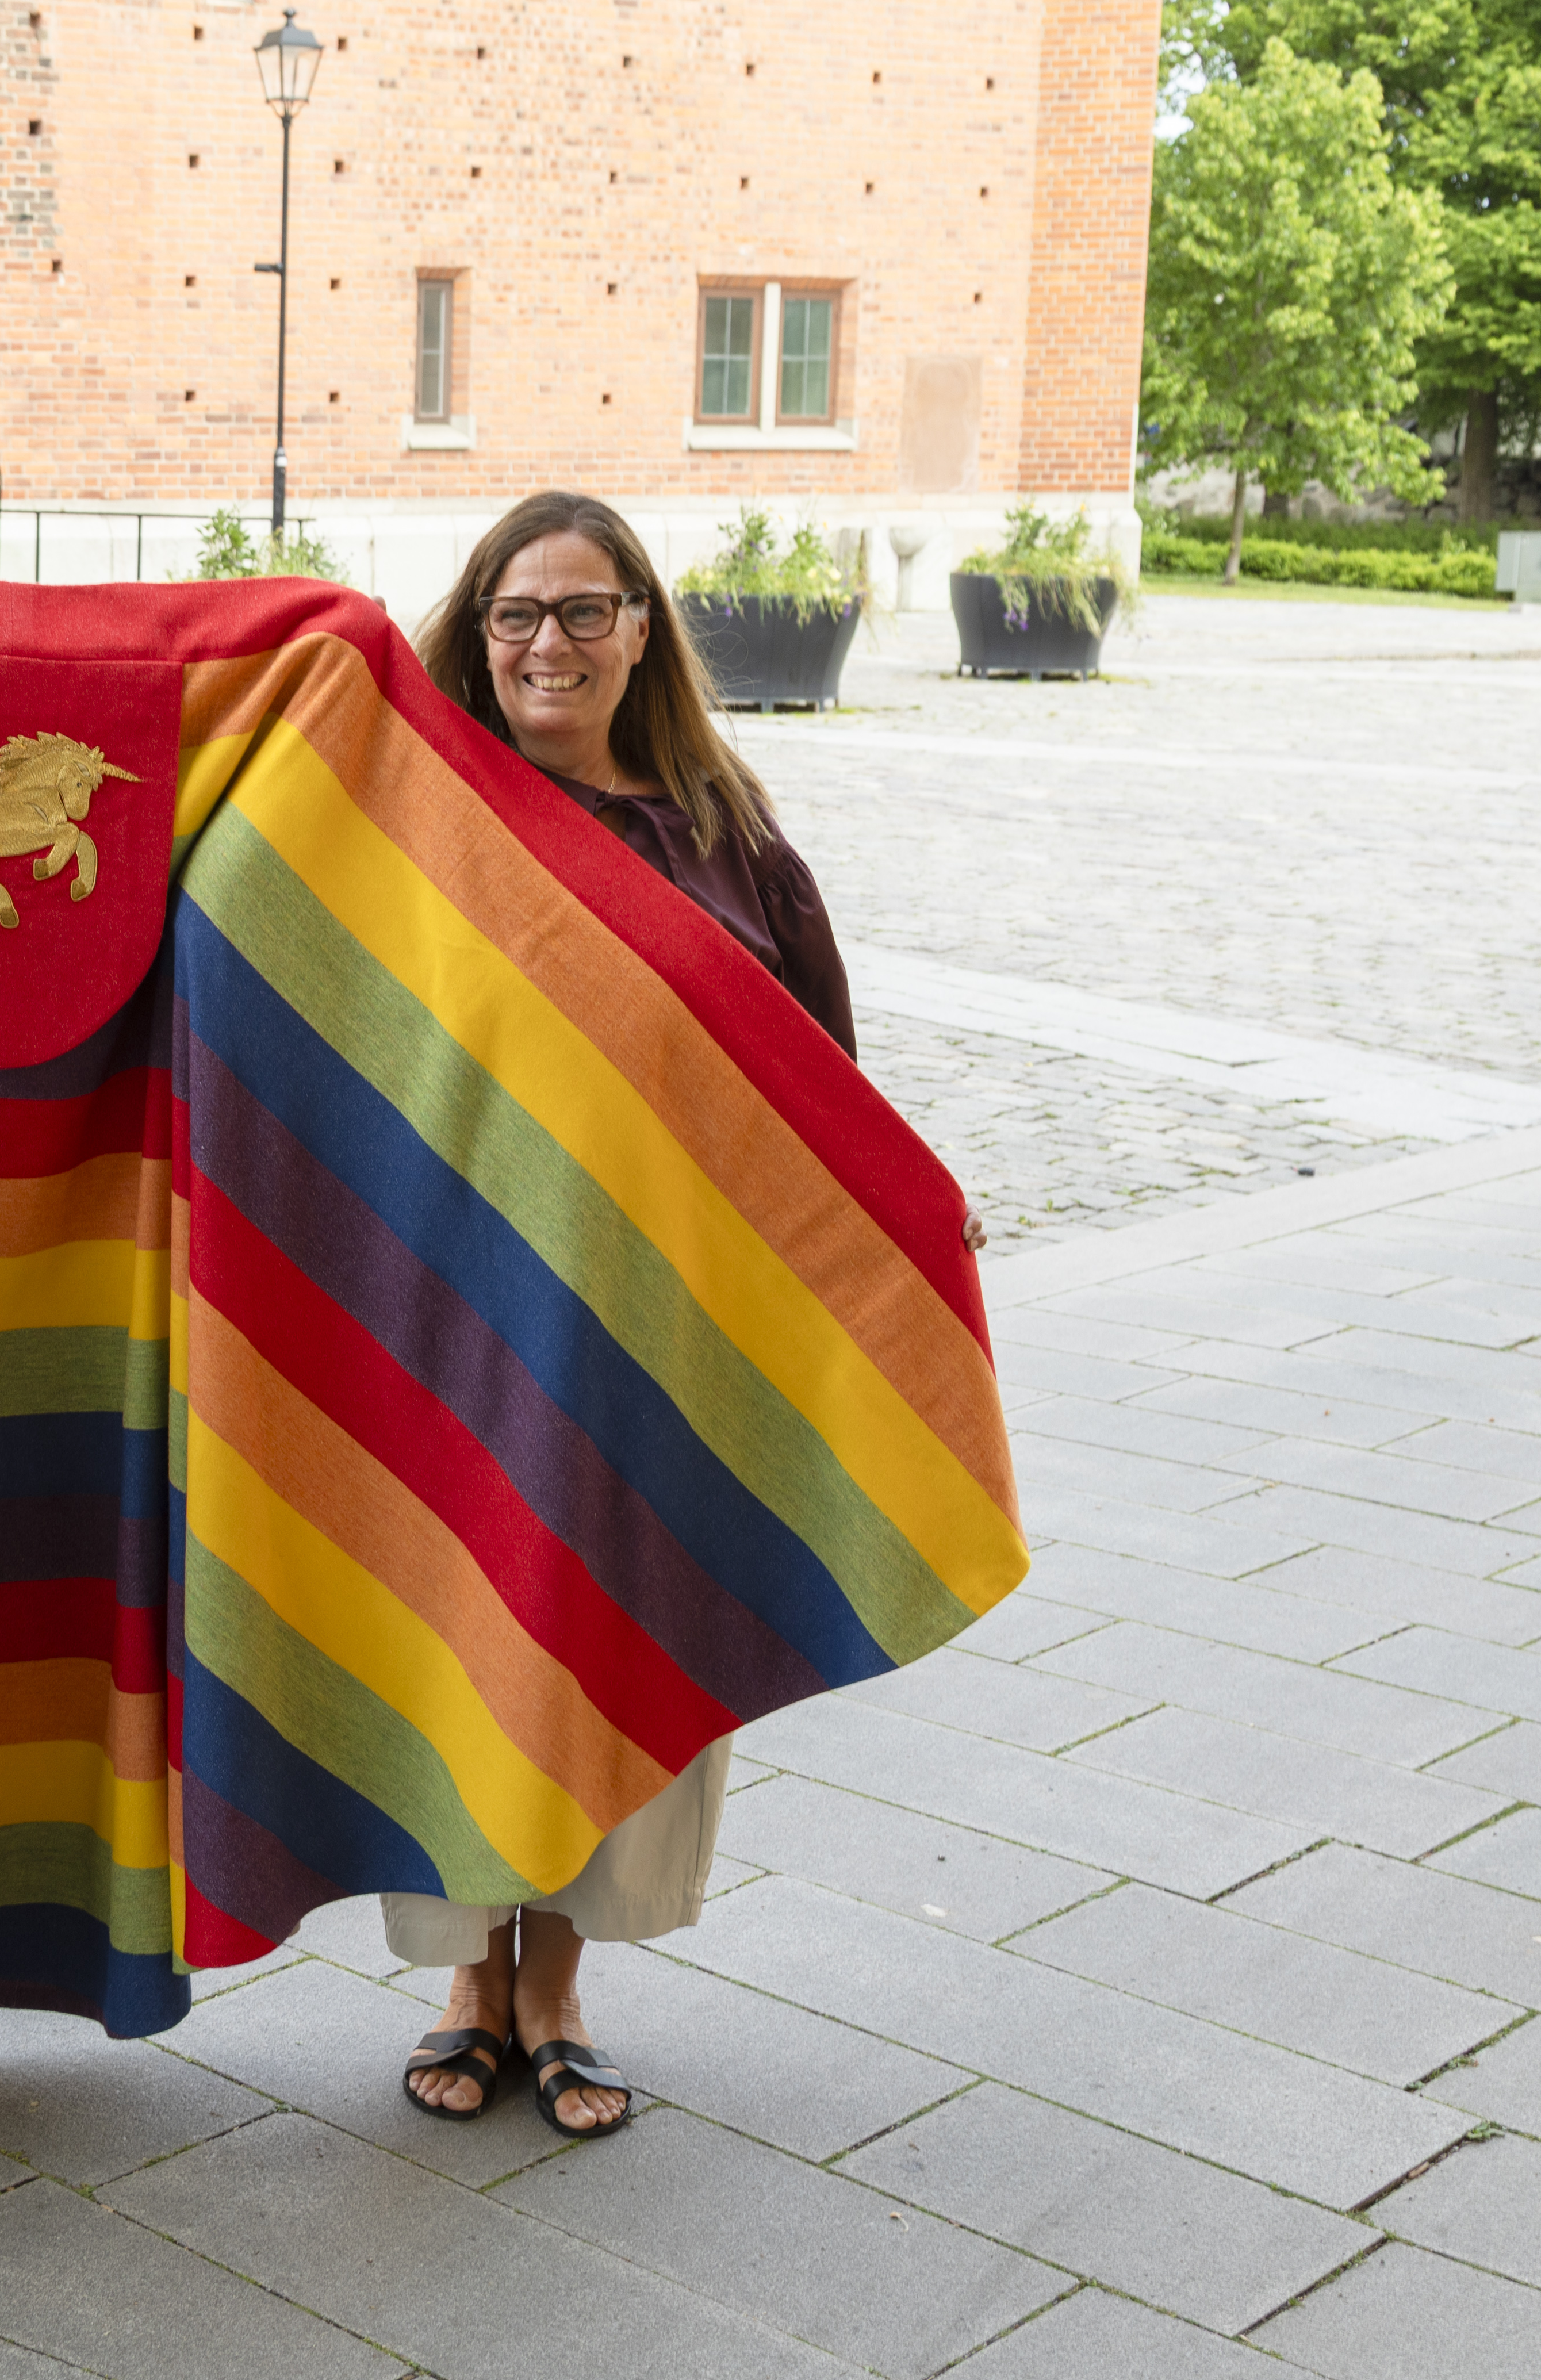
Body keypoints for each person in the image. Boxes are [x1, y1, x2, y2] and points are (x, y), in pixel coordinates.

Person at [390, 489, 986, 2140]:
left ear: (645, 629)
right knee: (466, 1634)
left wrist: (905, 1216)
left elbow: (820, 1083)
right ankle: (463, 1975)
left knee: (615, 1633)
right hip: (465, 1311)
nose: (548, 645)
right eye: (517, 614)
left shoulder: (722, 832)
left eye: (585, 612)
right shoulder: (423, 813)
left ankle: (559, 1976)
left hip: (661, 1329)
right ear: (476, 628)